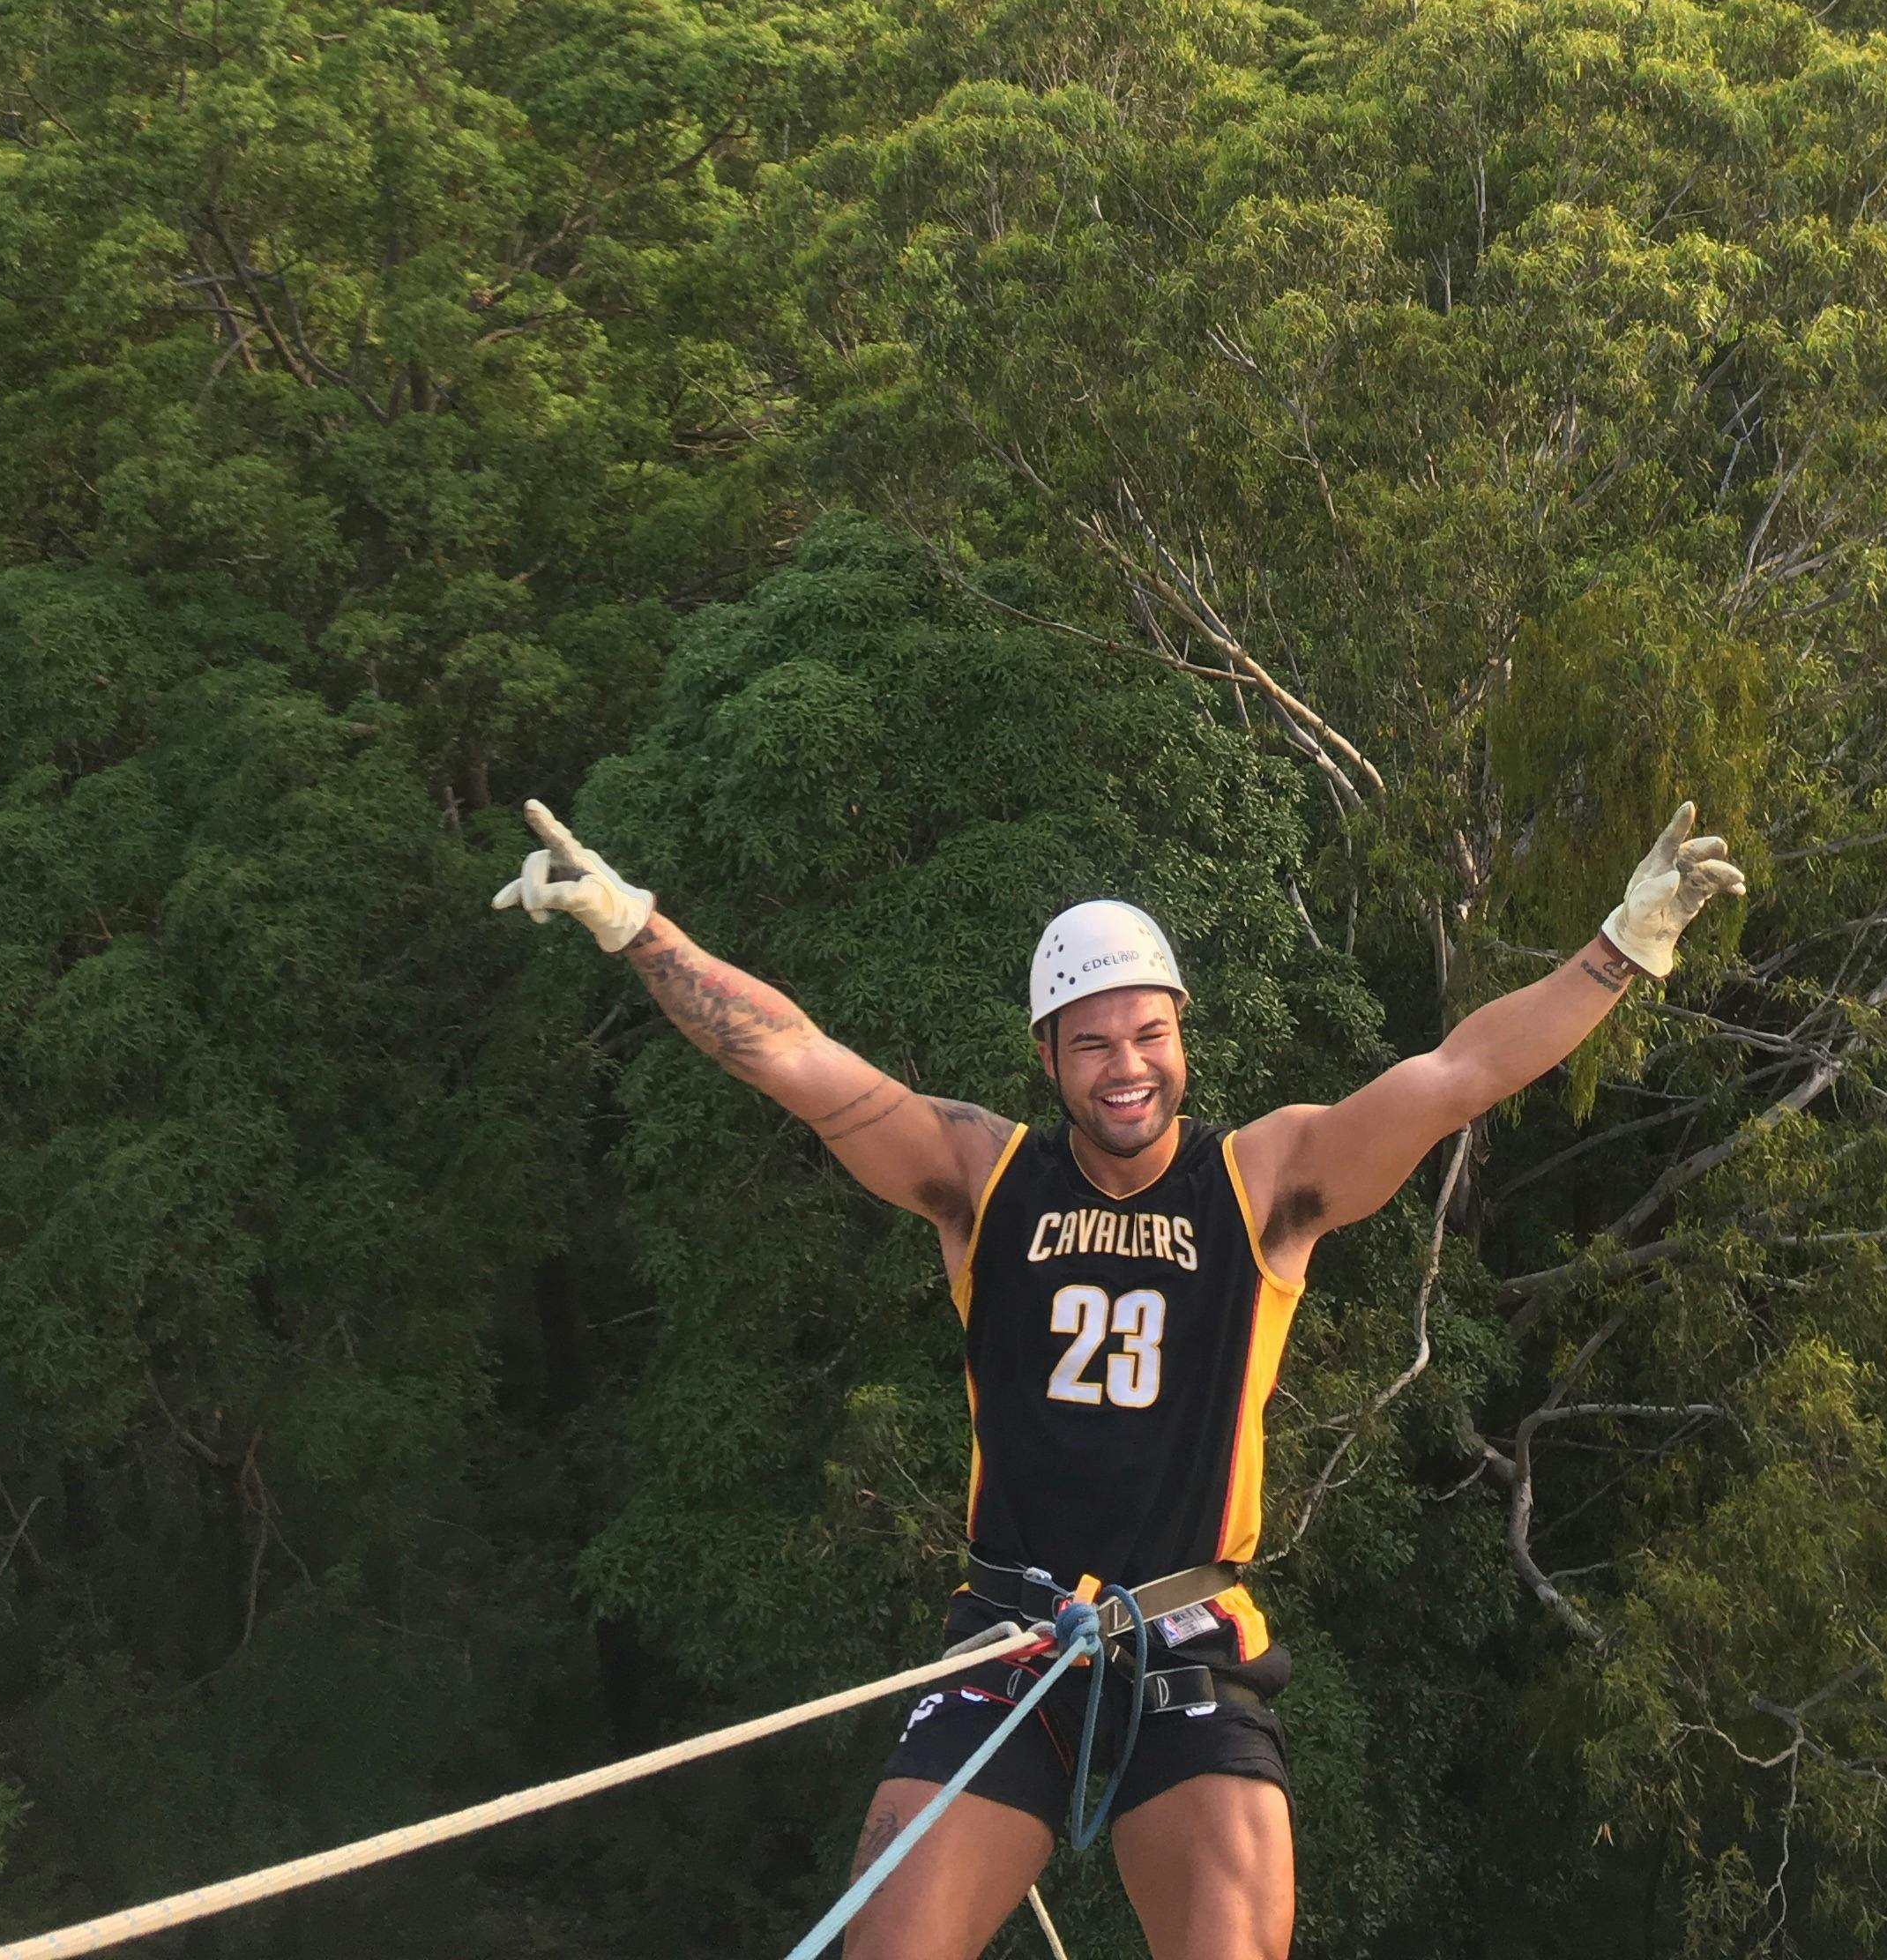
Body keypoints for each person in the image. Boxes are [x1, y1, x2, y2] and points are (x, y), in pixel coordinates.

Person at [496, 797, 1745, 1960]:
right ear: (1048, 1057)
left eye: (1150, 1034)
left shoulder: (1263, 1182)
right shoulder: (984, 1179)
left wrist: (1621, 948)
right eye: (1092, 1044)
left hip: (1187, 1631)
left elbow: (1454, 1077)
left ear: (1182, 1034)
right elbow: (801, 1063)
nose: (1126, 1066)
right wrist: (636, 926)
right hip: (1010, 1631)